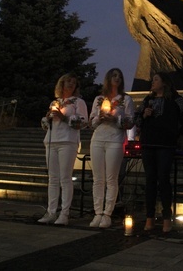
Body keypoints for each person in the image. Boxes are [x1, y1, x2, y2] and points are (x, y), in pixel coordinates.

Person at [135, 72, 183, 232]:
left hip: (166, 145)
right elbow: (136, 118)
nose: (152, 83)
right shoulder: (148, 100)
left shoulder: (175, 99)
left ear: (164, 83)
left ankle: (167, 217)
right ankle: (149, 217)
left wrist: (181, 135)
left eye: (156, 80)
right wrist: (144, 115)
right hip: (148, 143)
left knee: (164, 179)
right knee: (150, 180)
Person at [38, 73, 88, 225]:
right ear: (61, 84)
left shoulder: (78, 102)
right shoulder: (56, 102)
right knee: (53, 178)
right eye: (68, 82)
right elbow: (45, 125)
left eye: (74, 82)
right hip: (52, 141)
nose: (71, 84)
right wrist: (48, 118)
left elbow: (82, 122)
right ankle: (51, 212)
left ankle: (64, 214)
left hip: (68, 141)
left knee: (65, 178)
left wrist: (63, 116)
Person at [88, 68, 135, 228]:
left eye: (119, 76)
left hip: (115, 140)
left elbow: (129, 122)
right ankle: (97, 213)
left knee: (111, 178)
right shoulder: (98, 99)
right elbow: (92, 122)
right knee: (98, 179)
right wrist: (100, 118)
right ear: (108, 78)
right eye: (114, 76)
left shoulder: (126, 99)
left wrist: (115, 118)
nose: (117, 78)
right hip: (98, 139)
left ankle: (107, 214)